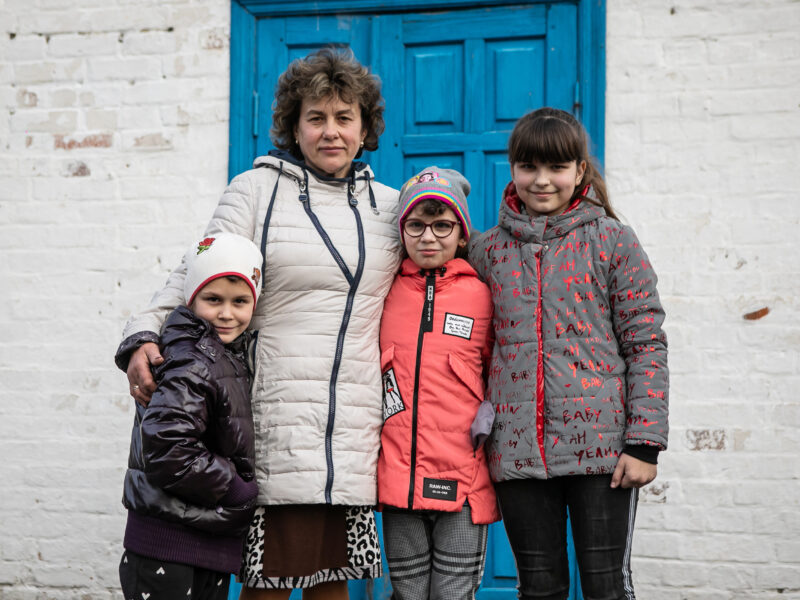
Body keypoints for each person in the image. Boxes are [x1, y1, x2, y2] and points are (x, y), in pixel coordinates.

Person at [115, 48, 402, 600]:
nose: (331, 132)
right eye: (315, 117)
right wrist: (142, 337)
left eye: (345, 118)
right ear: (294, 126)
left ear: (366, 127)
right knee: (266, 583)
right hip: (273, 421)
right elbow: (191, 274)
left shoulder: (390, 208)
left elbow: (443, 263)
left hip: (350, 436)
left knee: (330, 587)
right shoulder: (255, 191)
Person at [468, 107, 669, 600]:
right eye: (528, 167)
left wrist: (644, 442)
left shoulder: (613, 241)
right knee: (538, 588)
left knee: (606, 588)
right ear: (512, 168)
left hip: (604, 455)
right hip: (517, 452)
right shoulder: (486, 251)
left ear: (579, 170)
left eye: (556, 168)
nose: (542, 181)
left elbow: (646, 343)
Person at [376, 167, 501, 600]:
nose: (428, 237)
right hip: (398, 482)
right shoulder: (383, 292)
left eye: (442, 225)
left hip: (463, 482)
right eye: (416, 225)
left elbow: (501, 371)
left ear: (462, 233)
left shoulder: (484, 294)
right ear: (402, 230)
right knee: (407, 595)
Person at [119, 232, 263, 600]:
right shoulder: (191, 359)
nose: (226, 313)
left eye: (240, 301)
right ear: (191, 298)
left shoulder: (222, 353)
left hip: (198, 539)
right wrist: (234, 488)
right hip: (167, 545)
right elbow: (170, 448)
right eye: (213, 299)